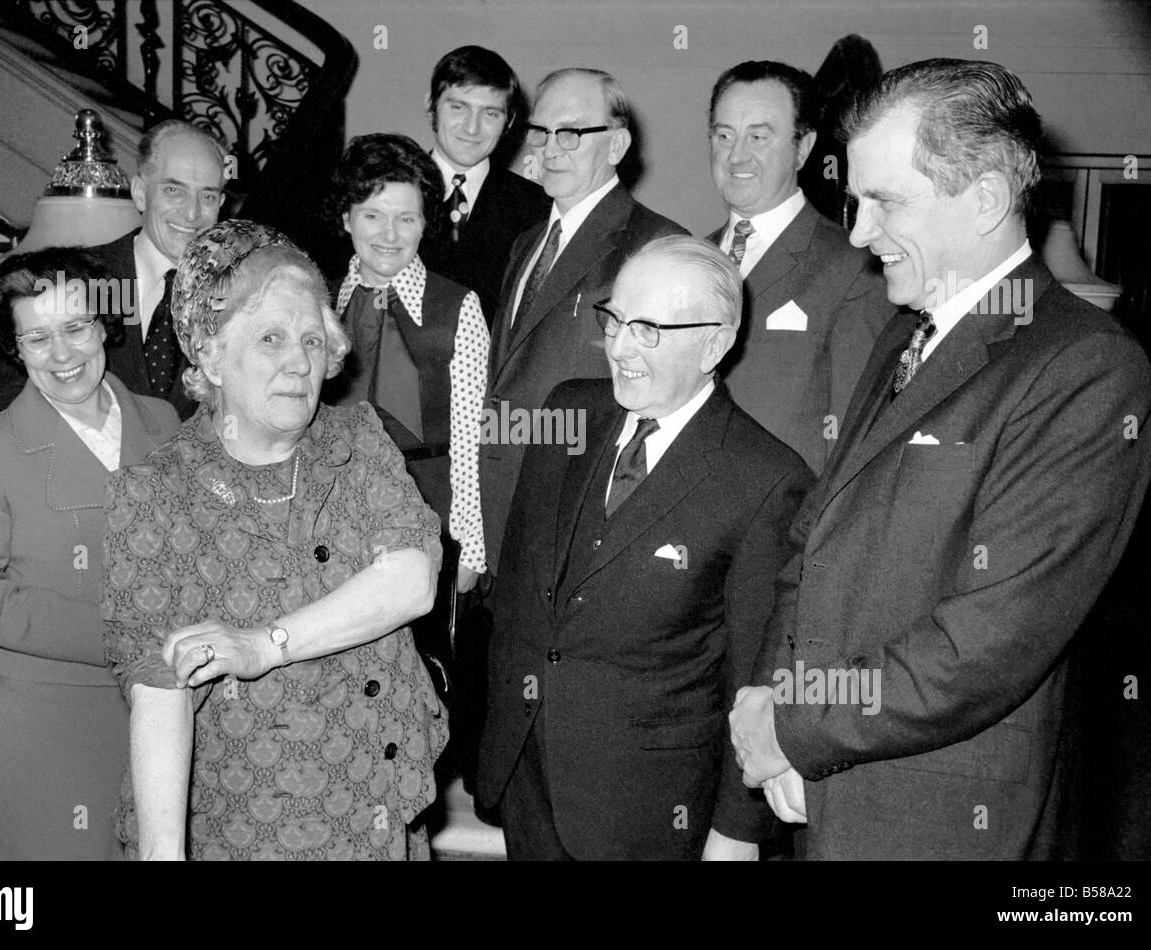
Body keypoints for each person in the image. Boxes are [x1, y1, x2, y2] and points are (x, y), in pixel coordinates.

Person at [730, 58, 1151, 860]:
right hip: (827, 788)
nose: (856, 233)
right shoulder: (909, 329)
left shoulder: (1084, 366)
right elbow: (810, 547)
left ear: (986, 199)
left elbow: (990, 638)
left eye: (885, 202)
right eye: (854, 202)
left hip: (938, 814)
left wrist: (793, 725)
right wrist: (771, 707)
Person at [102, 220, 448, 861]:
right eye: (271, 338)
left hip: (370, 808)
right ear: (208, 353)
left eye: (313, 340)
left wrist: (265, 645)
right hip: (244, 825)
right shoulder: (154, 493)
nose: (300, 362)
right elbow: (158, 689)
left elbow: (412, 579)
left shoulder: (358, 442)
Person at [477, 236, 811, 860]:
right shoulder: (566, 412)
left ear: (715, 342)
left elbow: (753, 680)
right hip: (528, 780)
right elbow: (522, 591)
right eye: (615, 320)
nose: (620, 347)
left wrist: (735, 834)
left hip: (648, 812)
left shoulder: (766, 480)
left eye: (649, 329)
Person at [0, 248, 180, 859]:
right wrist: (123, 636)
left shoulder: (165, 421)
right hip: (42, 725)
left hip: (165, 712)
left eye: (75, 328)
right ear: (15, 349)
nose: (63, 354)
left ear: (103, 326)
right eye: (37, 338)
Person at [482, 68, 686, 575]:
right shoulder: (526, 242)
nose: (550, 148)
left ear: (616, 144)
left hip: (577, 510)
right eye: (540, 131)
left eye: (571, 132)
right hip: (498, 504)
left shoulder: (657, 245)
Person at [706, 60, 892, 474]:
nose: (736, 155)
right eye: (724, 135)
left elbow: (852, 440)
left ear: (803, 149)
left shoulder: (855, 268)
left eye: (758, 136)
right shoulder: (688, 259)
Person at [325, 132, 489, 595]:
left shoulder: (457, 307)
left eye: (406, 218)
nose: (389, 235)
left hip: (425, 515)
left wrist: (469, 548)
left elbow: (472, 439)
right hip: (328, 516)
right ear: (346, 218)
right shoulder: (319, 300)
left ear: (425, 223)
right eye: (372, 215)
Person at [90, 119, 227, 420]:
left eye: (207, 196)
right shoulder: (86, 281)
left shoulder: (237, 292)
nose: (191, 213)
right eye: (174, 190)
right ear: (140, 192)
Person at [418, 45, 550, 325]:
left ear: (509, 121)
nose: (472, 128)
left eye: (490, 113)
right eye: (458, 107)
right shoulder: (382, 191)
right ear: (431, 106)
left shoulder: (539, 209)